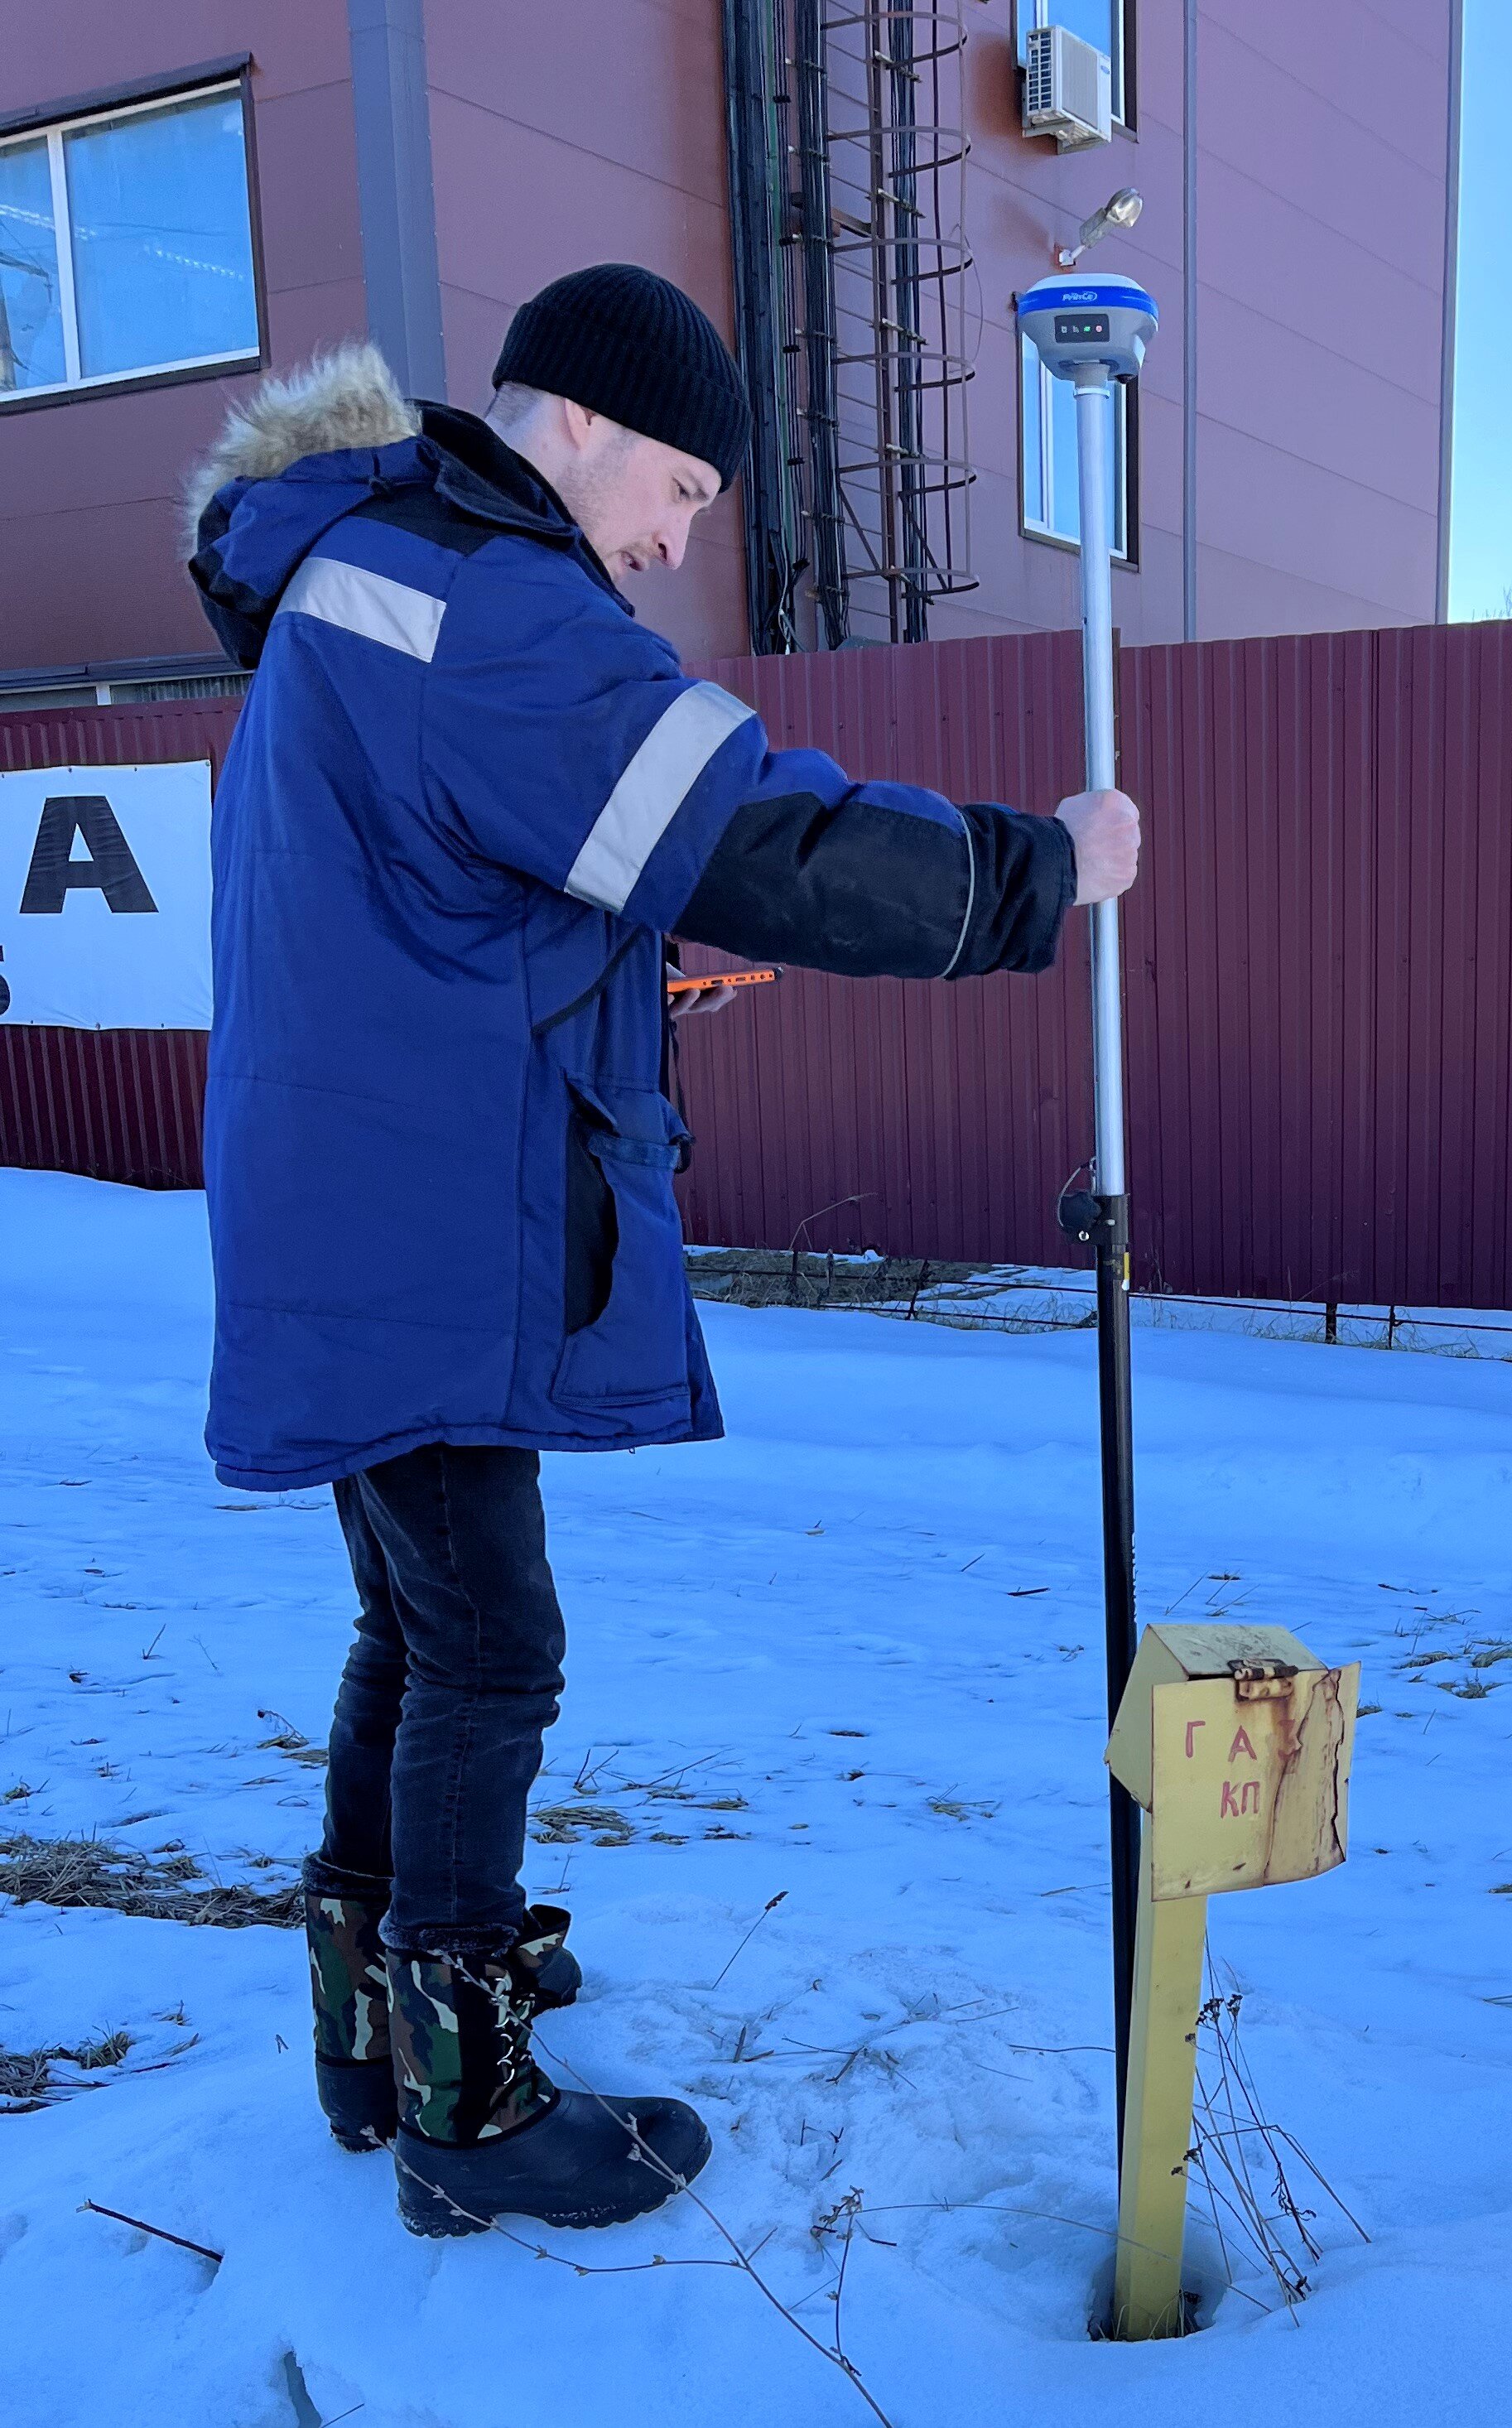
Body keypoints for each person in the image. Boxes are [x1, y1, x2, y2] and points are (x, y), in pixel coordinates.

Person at [183, 263, 1139, 2240]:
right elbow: (759, 831)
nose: (678, 544)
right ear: (587, 417)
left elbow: (446, 902)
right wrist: (1040, 869)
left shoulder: (359, 581)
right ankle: (467, 2101)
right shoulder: (487, 602)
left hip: (361, 1194)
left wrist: (625, 967)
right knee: (492, 1647)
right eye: (687, 493)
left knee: (419, 1627)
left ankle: (380, 2034)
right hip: (424, 1214)